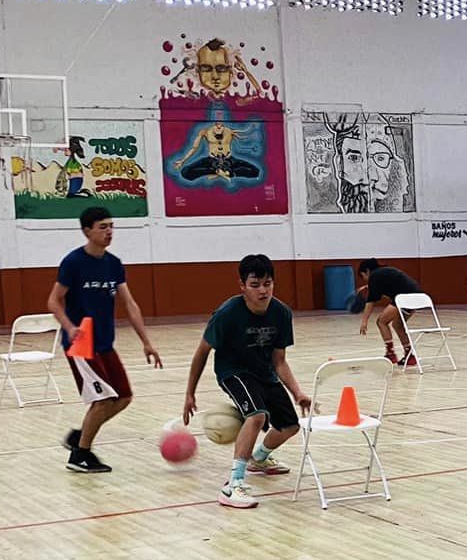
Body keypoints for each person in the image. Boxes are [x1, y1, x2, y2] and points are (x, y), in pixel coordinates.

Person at [183, 254, 311, 511]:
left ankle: (259, 458)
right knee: (257, 415)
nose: (263, 290)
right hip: (233, 372)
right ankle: (233, 484)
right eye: (255, 285)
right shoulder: (227, 314)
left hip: (264, 372)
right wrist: (190, 394)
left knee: (289, 426)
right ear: (242, 286)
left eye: (268, 283)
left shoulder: (282, 313)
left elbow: (280, 361)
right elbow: (202, 352)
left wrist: (297, 392)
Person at [48, 204, 162, 474]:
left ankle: (80, 436)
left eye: (111, 226)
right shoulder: (73, 262)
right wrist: (69, 327)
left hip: (105, 343)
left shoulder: (113, 264)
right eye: (103, 227)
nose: (109, 231)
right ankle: (80, 455)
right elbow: (53, 301)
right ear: (87, 231)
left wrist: (146, 341)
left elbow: (130, 304)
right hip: (81, 344)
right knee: (102, 400)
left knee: (123, 397)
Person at [357, 258, 422, 367]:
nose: (365, 280)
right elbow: (392, 284)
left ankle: (390, 354)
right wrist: (368, 287)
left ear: (367, 271)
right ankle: (410, 356)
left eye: (363, 276)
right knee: (398, 325)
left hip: (404, 298)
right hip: (418, 297)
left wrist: (364, 321)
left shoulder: (374, 276)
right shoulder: (384, 271)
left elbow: (370, 302)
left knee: (381, 322)